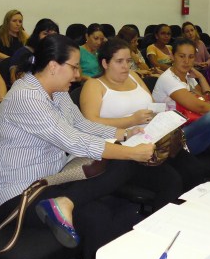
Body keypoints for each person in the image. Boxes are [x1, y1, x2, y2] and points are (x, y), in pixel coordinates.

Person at [0, 34, 154, 259]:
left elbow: (80, 124)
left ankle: (67, 202)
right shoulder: (26, 98)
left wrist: (124, 134)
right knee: (99, 209)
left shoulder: (58, 91)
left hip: (51, 182)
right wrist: (129, 151)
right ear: (53, 66)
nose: (78, 75)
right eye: (74, 67)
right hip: (18, 195)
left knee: (118, 173)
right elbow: (73, 140)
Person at [80, 38, 197, 198]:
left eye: (128, 61)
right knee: (171, 181)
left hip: (151, 139)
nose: (126, 66)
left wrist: (162, 119)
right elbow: (90, 123)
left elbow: (152, 104)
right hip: (121, 148)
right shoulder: (94, 85)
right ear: (105, 63)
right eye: (119, 61)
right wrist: (132, 120)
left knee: (192, 168)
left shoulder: (134, 76)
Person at [152, 38, 210, 172]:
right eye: (182, 56)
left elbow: (207, 98)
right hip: (174, 139)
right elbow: (200, 107)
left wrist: (201, 77)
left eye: (191, 57)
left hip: (193, 127)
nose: (186, 61)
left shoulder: (188, 77)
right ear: (172, 56)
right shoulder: (168, 79)